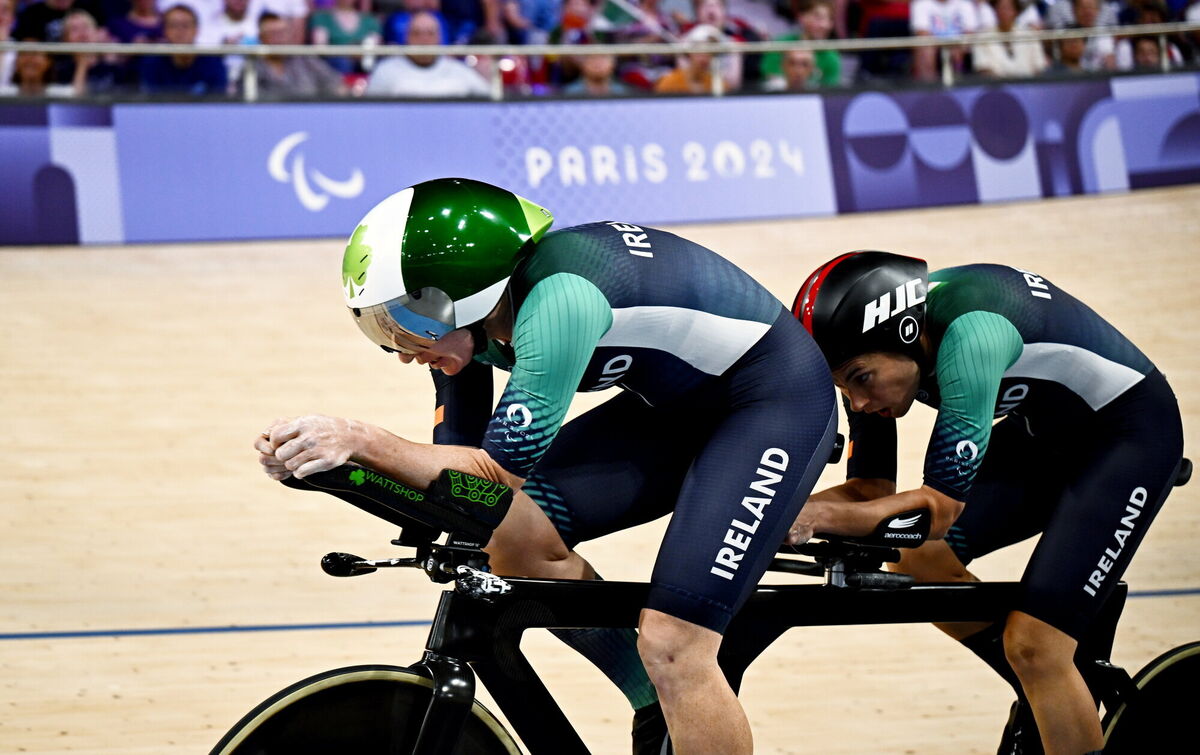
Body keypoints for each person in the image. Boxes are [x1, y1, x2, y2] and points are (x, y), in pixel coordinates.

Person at [255, 177, 838, 754]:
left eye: (406, 320)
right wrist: (334, 470)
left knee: (675, 645)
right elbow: (465, 493)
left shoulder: (561, 302)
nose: (403, 347)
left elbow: (493, 475)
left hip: (773, 405)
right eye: (382, 327)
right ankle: (654, 703)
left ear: (467, 291)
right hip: (675, 410)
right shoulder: (467, 319)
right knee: (508, 539)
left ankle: (674, 676)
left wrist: (359, 439)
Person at [787, 251, 1184, 755]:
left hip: (1129, 438)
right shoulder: (866, 348)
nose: (858, 403)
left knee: (1037, 646)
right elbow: (870, 492)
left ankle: (1048, 671)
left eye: (861, 379)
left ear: (906, 334)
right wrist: (777, 509)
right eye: (842, 385)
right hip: (1044, 436)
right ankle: (1051, 687)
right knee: (919, 560)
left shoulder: (973, 335)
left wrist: (816, 517)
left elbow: (938, 510)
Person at [365, 10, 490, 96]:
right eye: (417, 33)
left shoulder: (459, 71)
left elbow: (487, 98)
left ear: (440, 38)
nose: (424, 40)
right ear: (406, 38)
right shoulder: (386, 71)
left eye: (430, 33)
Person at [245, 11, 347, 95]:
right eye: (273, 34)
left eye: (282, 33)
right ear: (261, 37)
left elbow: (334, 83)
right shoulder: (253, 66)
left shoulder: (305, 60)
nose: (279, 39)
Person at [139, 3, 228, 94]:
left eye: (185, 25)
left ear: (196, 30)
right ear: (165, 30)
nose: (180, 31)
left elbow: (218, 102)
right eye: (174, 25)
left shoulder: (213, 63)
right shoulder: (152, 63)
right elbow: (149, 101)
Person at [760, 0, 841, 88]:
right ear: (802, 17)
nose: (824, 25)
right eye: (818, 17)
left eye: (829, 19)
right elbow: (771, 80)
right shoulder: (780, 45)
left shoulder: (831, 56)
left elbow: (830, 91)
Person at [971, 0, 1047, 77]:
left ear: (1016, 11)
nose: (1004, 12)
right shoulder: (983, 37)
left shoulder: (1029, 35)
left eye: (1008, 8)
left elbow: (1039, 67)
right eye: (1001, 8)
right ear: (995, 10)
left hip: (1028, 85)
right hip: (995, 86)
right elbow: (983, 68)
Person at [910, 0, 980, 80]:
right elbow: (922, 32)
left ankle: (960, 82)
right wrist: (944, 45)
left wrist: (956, 44)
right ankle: (928, 85)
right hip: (934, 45)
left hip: (958, 43)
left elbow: (970, 31)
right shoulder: (921, 3)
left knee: (973, 41)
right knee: (926, 46)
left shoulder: (965, 3)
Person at [308, 0, 382, 73]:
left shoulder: (370, 20)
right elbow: (320, 47)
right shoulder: (322, 17)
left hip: (363, 62)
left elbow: (374, 47)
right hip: (333, 66)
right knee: (342, 62)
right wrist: (350, 52)